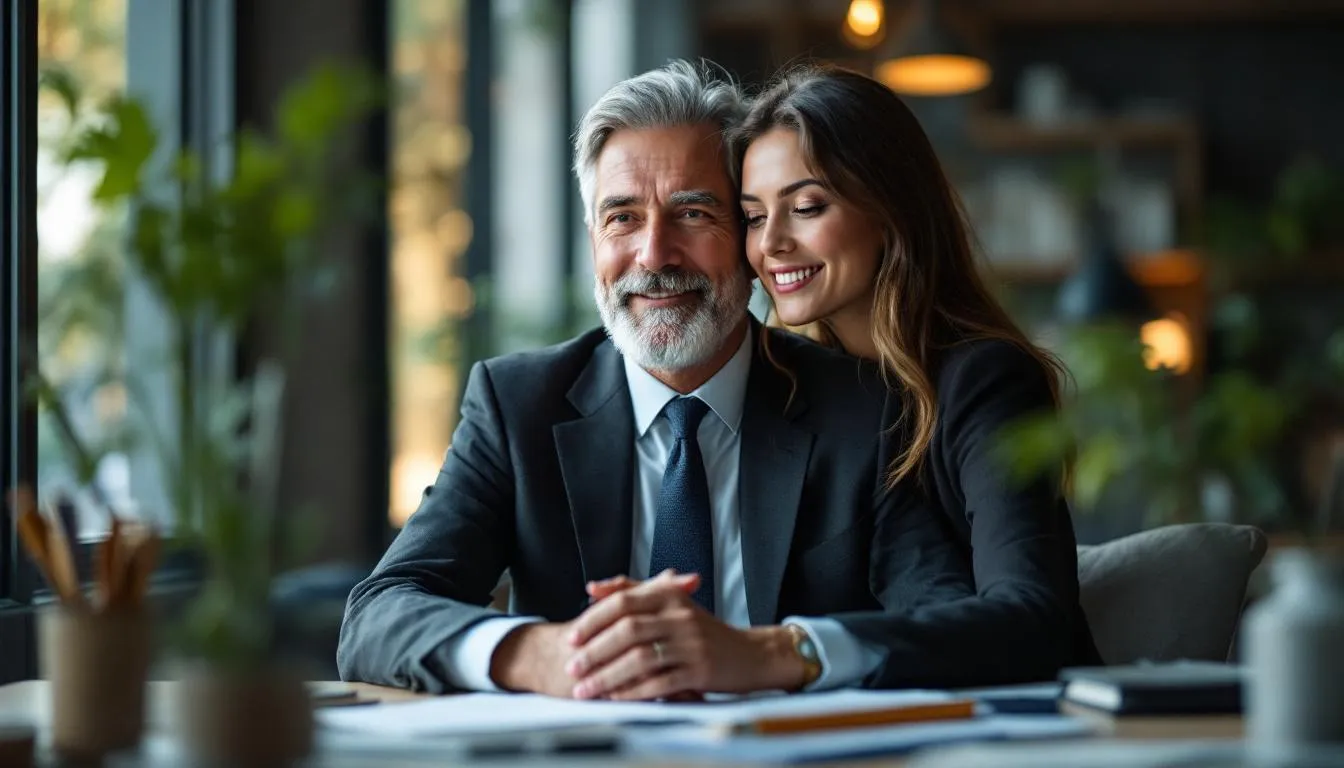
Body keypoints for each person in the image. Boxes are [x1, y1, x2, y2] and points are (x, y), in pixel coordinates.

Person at [337, 60, 975, 700]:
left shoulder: (861, 407)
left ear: (750, 240)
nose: (653, 255)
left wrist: (781, 654)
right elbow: (378, 614)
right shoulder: (517, 407)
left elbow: (947, 621)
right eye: (622, 217)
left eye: (693, 214)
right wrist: (538, 654)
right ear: (593, 240)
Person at [735, 63, 1103, 685]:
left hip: (1021, 724)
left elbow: (1033, 615)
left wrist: (788, 651)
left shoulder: (987, 382)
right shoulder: (790, 391)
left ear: (888, 207)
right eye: (751, 216)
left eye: (805, 206)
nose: (771, 242)